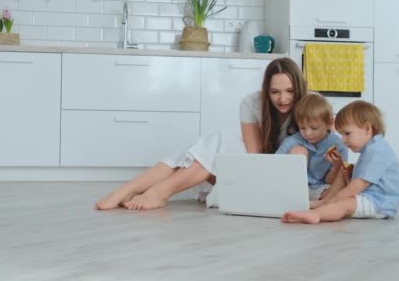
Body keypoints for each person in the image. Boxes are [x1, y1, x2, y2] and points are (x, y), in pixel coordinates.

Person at [95, 57, 308, 210]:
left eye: (289, 91)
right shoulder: (252, 102)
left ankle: (155, 192)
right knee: (197, 151)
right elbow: (252, 156)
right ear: (266, 90)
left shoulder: (312, 104)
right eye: (275, 92)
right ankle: (128, 191)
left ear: (298, 88)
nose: (283, 99)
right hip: (254, 165)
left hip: (277, 176)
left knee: (215, 143)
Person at [282, 100, 399, 224]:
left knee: (344, 204)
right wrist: (347, 177)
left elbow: (358, 185)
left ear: (367, 128)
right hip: (369, 197)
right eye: (342, 135)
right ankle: (325, 203)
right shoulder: (370, 149)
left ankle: (316, 214)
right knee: (344, 170)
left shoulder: (377, 151)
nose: (344, 140)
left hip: (379, 203)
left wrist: (336, 199)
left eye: (347, 133)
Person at [276, 93, 348, 201]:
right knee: (298, 150)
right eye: (302, 128)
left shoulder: (339, 145)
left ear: (329, 123)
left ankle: (315, 203)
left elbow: (330, 181)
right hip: (292, 188)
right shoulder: (291, 141)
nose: (308, 133)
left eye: (314, 128)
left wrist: (336, 165)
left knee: (338, 190)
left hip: (321, 188)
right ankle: (296, 199)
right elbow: (275, 168)